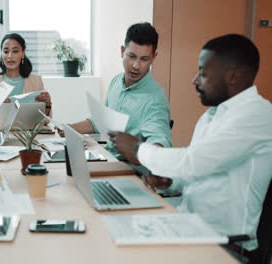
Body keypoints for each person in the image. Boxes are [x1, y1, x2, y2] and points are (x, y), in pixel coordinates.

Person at [111, 34, 272, 251]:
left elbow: (194, 162)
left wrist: (138, 149)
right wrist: (170, 181)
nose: (194, 80)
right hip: (189, 226)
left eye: (203, 74)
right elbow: (197, 172)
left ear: (233, 76)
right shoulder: (212, 115)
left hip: (225, 244)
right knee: (112, 230)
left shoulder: (257, 114)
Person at [58, 22, 171, 175]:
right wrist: (68, 128)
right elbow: (101, 122)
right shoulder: (116, 82)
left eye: (144, 59)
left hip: (132, 173)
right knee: (64, 170)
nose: (136, 66)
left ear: (153, 58)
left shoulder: (155, 99)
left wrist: (141, 151)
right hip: (108, 159)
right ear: (122, 51)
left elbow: (159, 146)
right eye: (131, 56)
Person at [0, 33, 52, 117]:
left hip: (29, 129)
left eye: (15, 51)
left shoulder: (36, 81)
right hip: (0, 129)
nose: (10, 56)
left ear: (23, 53)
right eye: (6, 51)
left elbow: (44, 121)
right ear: (2, 55)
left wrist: (47, 105)